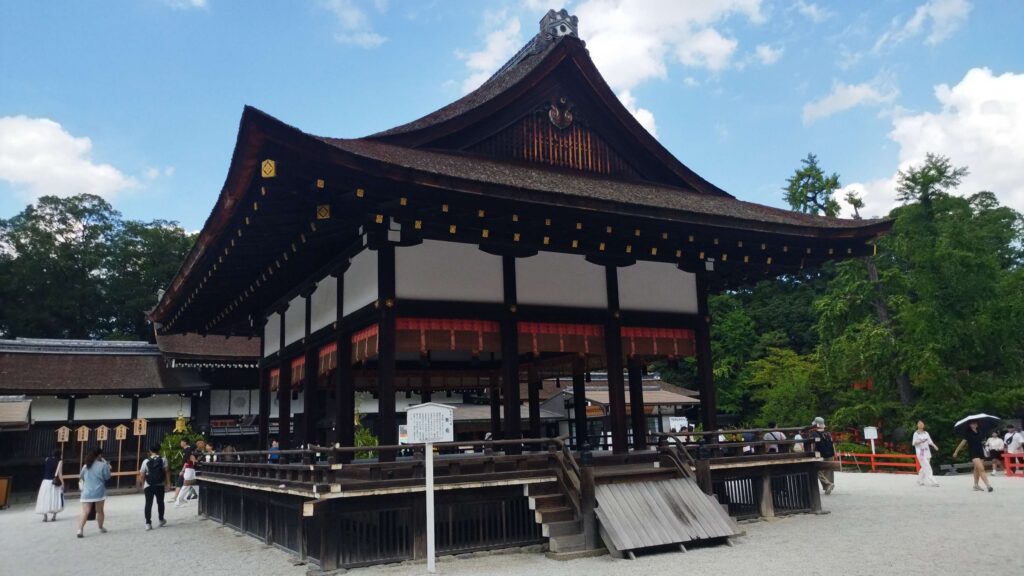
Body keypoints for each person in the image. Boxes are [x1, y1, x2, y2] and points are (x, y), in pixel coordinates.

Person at [76, 448, 111, 538]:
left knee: (85, 511)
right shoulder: (103, 465)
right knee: (99, 511)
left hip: (87, 491)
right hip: (99, 491)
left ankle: (80, 529)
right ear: (99, 455)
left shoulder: (86, 465)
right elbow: (107, 477)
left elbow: (81, 477)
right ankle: (100, 527)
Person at [953, 420, 993, 492]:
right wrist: (956, 451)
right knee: (981, 469)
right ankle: (988, 485)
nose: (975, 424)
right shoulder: (968, 433)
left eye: (976, 423)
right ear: (970, 425)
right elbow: (962, 443)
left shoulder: (980, 431)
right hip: (973, 452)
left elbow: (981, 441)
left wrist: (984, 442)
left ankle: (976, 485)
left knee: (977, 469)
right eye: (973, 423)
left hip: (980, 451)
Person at [139, 444, 170, 530]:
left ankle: (148, 523)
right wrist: (168, 483)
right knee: (160, 502)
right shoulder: (163, 460)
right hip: (160, 484)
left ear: (150, 451)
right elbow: (166, 472)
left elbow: (142, 475)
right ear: (159, 450)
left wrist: (142, 484)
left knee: (148, 503)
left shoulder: (145, 461)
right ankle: (161, 519)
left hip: (148, 485)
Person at [35, 449, 64, 522]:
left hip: (45, 481)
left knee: (45, 497)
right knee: (54, 497)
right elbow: (59, 474)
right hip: (54, 482)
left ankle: (45, 516)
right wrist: (63, 483)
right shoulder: (59, 462)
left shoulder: (47, 459)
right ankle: (54, 516)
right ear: (59, 454)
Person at [810, 417, 835, 495]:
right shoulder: (827, 433)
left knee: (817, 470)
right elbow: (832, 444)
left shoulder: (814, 433)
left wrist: (812, 453)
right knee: (829, 470)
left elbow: (813, 445)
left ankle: (827, 484)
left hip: (820, 454)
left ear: (816, 424)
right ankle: (828, 487)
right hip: (830, 454)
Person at [911, 420, 940, 487]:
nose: (921, 425)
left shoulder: (926, 433)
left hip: (927, 452)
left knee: (924, 466)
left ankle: (919, 480)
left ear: (924, 425)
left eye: (922, 423)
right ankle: (933, 481)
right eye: (919, 424)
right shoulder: (916, 433)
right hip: (920, 452)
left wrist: (935, 446)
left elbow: (930, 441)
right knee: (927, 466)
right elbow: (913, 443)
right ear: (917, 425)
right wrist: (920, 441)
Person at [168, 439, 193, 503]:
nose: (180, 443)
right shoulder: (185, 450)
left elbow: (187, 461)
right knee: (186, 483)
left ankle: (176, 497)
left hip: (188, 469)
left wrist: (183, 470)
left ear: (185, 442)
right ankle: (179, 497)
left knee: (181, 482)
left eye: (181, 442)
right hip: (187, 469)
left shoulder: (188, 449)